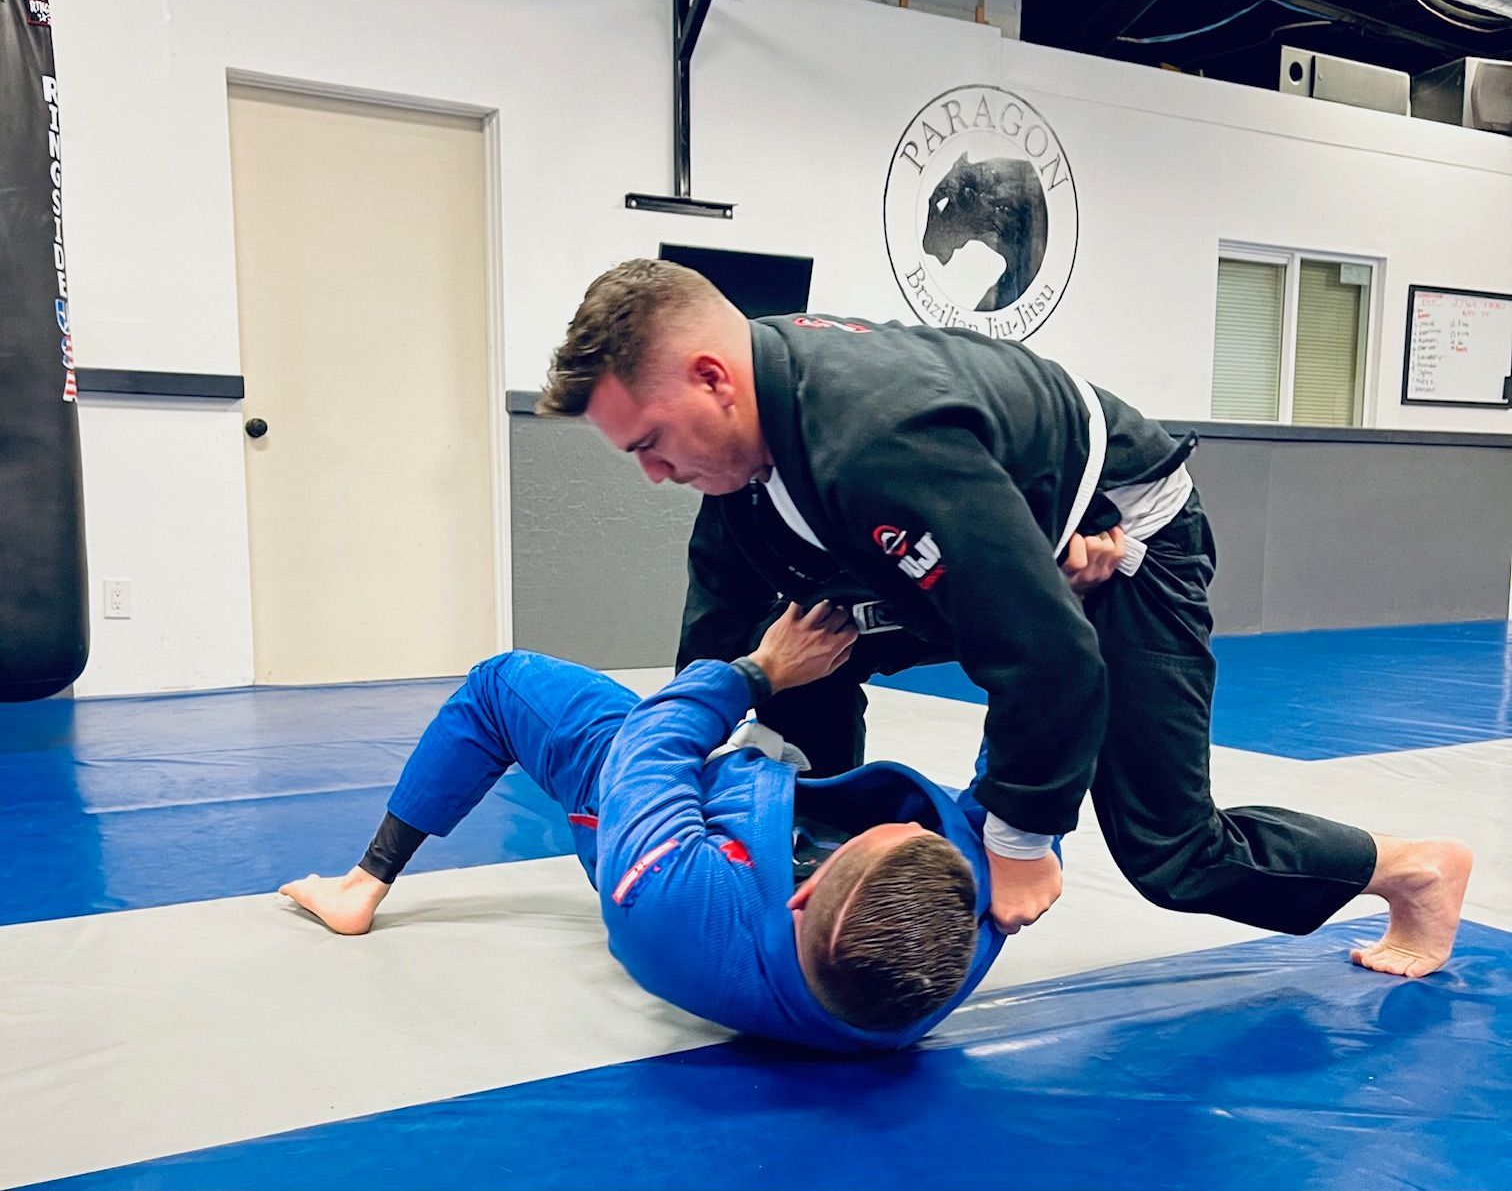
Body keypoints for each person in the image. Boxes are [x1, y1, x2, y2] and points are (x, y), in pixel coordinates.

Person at [538, 257, 1473, 979]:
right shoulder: (743, 455)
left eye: (651, 444)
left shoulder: (872, 442)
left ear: (714, 378)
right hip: (989, 521)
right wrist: (694, 780)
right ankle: (818, 857)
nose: (652, 476)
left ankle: (1414, 870)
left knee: (1170, 850)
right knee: (802, 651)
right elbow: (721, 627)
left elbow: (1049, 658)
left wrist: (1020, 839)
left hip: (1122, 540)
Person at [280, 601, 1014, 1051]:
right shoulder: (959, 937)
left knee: (501, 684)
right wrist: (1049, 626)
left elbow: (651, 746)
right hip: (779, 800)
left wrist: (759, 672)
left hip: (678, 812)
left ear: (802, 891)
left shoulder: (674, 905)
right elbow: (1016, 781)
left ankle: (359, 887)